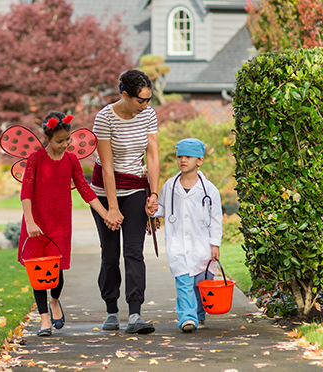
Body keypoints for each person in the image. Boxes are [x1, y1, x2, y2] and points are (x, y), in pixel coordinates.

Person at [19, 111, 114, 337]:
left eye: (67, 140)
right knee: (38, 271)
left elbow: (85, 189)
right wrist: (30, 221)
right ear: (48, 138)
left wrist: (106, 213)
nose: (64, 145)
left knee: (57, 272)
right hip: (36, 224)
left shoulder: (71, 160)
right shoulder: (36, 159)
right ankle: (43, 319)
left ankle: (54, 301)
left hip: (60, 224)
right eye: (59, 141)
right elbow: (26, 192)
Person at [90, 69, 160, 334]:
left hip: (135, 188)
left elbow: (152, 156)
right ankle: (110, 310)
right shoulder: (104, 118)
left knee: (133, 251)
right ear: (125, 95)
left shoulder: (148, 115)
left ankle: (134, 314)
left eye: (148, 99)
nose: (146, 105)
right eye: (140, 100)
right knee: (109, 254)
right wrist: (112, 208)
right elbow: (107, 168)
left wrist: (153, 194)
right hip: (104, 191)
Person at [152, 138, 223, 332]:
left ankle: (199, 315)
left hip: (203, 245)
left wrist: (215, 245)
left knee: (201, 284)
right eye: (180, 156)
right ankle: (187, 318)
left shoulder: (210, 190)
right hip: (177, 244)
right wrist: (152, 210)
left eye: (188, 157)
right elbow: (163, 208)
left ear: (200, 161)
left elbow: (216, 219)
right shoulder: (170, 185)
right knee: (183, 282)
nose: (183, 160)